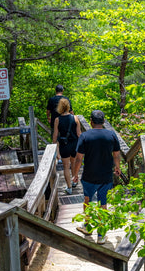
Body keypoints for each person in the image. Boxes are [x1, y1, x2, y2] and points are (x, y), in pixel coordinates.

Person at [72, 110, 121, 245]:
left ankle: (87, 227)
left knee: (87, 200)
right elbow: (116, 154)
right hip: (106, 175)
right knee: (103, 203)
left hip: (89, 175)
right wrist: (117, 167)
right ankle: (101, 235)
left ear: (91, 121)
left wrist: (75, 174)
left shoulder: (85, 136)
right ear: (103, 121)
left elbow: (78, 159)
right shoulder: (111, 135)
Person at [53, 98, 81, 195]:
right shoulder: (75, 118)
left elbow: (55, 135)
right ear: (68, 106)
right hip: (75, 144)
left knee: (66, 166)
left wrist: (55, 148)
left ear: (59, 107)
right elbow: (79, 134)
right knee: (73, 163)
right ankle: (74, 181)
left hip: (64, 145)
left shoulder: (57, 120)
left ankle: (69, 187)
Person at [46, 84, 73, 161]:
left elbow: (48, 111)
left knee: (55, 139)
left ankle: (58, 156)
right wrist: (73, 118)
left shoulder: (51, 99)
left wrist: (48, 118)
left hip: (54, 122)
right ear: (62, 90)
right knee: (66, 138)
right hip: (66, 123)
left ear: (55, 91)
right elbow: (71, 111)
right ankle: (67, 156)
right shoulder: (66, 99)